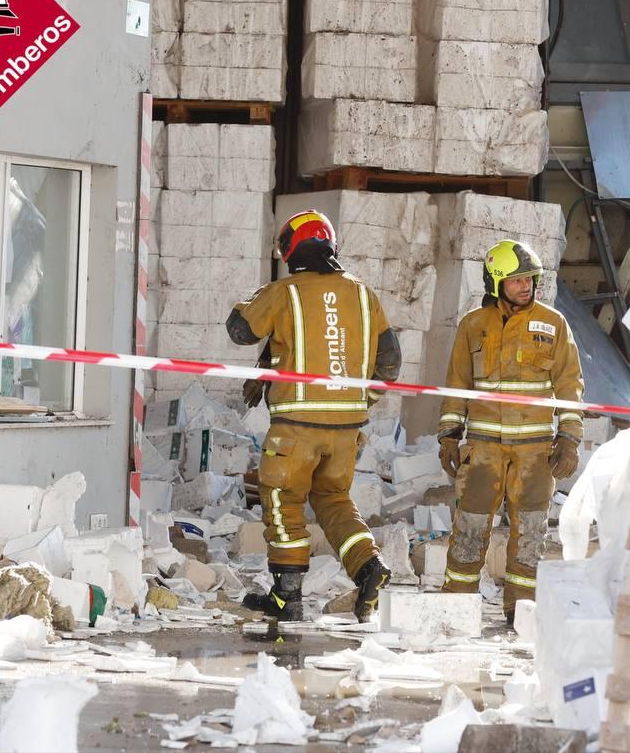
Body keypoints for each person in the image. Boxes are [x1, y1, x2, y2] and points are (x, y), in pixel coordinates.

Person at [227, 209, 401, 623]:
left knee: (283, 501)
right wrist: (360, 402)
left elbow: (239, 330)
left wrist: (259, 296)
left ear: (290, 251)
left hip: (296, 431)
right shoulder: (363, 294)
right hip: (346, 432)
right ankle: (368, 566)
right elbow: (390, 363)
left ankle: (287, 597)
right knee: (333, 499)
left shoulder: (284, 292)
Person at [436, 240, 584, 625]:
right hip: (483, 451)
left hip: (536, 453)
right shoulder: (473, 325)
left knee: (531, 534)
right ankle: (455, 609)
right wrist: (449, 435)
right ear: (496, 282)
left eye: (530, 279)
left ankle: (521, 613)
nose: (525, 286)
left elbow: (570, 383)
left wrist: (569, 437)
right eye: (516, 280)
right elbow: (457, 384)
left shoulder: (553, 324)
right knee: (468, 528)